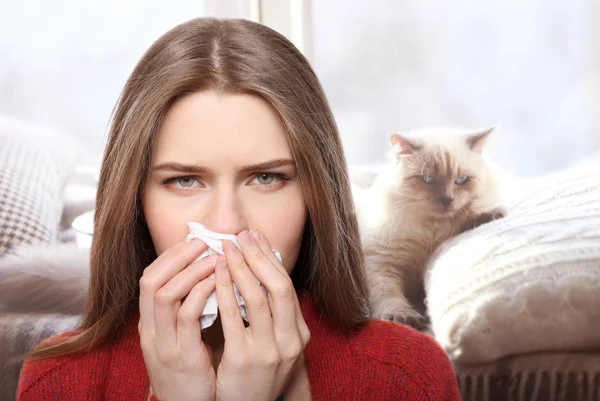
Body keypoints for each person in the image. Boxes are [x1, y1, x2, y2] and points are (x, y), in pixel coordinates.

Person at [16, 17, 460, 401]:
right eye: (184, 180)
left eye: (266, 178)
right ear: (135, 202)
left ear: (316, 197)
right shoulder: (59, 382)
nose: (227, 223)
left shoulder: (408, 376)